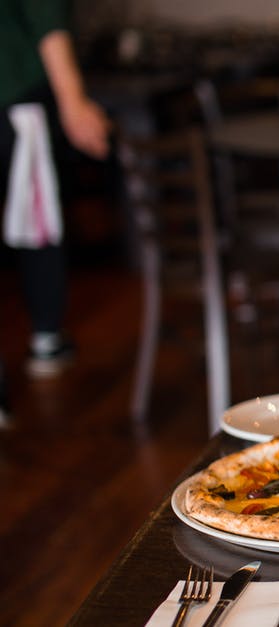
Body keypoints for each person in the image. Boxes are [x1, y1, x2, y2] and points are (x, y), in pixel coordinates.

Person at [1, 0, 111, 389]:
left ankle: (47, 337)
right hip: (14, 97)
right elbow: (42, 13)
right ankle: (47, 336)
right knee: (37, 221)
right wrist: (73, 102)